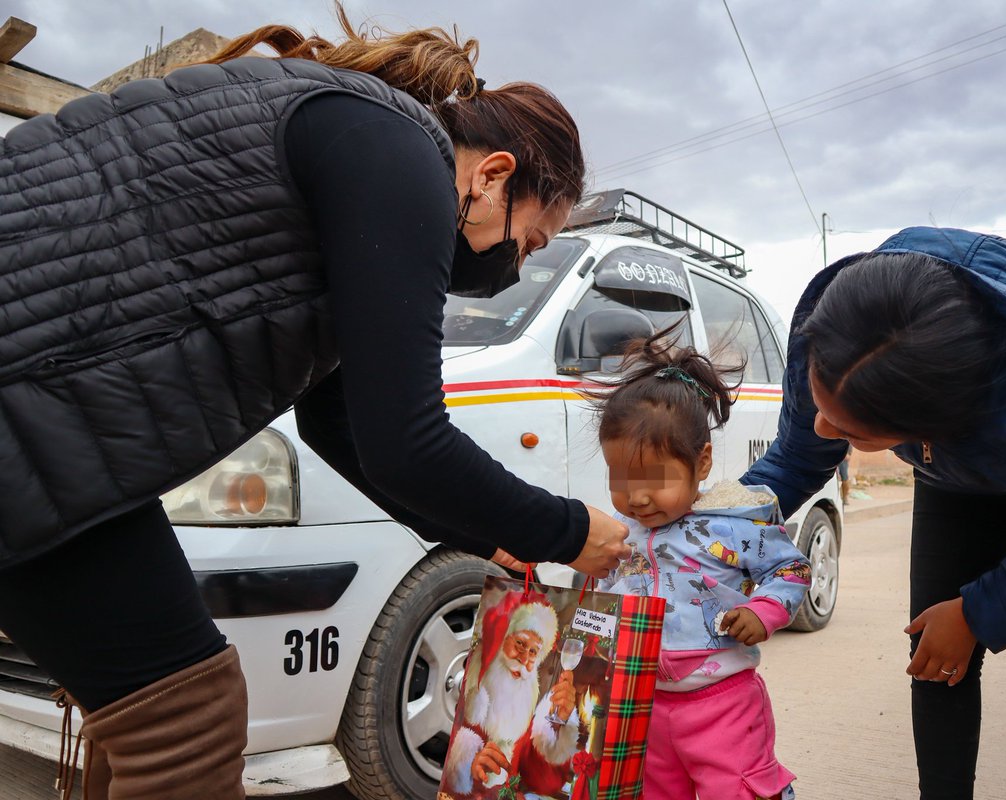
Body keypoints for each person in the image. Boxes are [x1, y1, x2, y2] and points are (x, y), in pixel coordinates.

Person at [0, 5, 630, 798]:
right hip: (33, 412)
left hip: (42, 424)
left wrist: (486, 535)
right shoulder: (398, 152)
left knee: (158, 707)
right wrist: (567, 530)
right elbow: (407, 438)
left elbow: (338, 424)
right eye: (531, 241)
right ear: (494, 176)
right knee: (182, 720)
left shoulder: (354, 147)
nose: (514, 265)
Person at [743, 226, 1006, 799]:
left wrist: (977, 610)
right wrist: (717, 526)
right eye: (823, 406)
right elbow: (796, 456)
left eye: (849, 431)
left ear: (930, 426)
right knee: (934, 652)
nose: (823, 430)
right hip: (962, 471)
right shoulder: (838, 329)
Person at [593, 331, 808, 800]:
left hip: (723, 704)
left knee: (737, 791)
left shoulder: (732, 526)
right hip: (642, 706)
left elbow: (791, 571)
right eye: (621, 478)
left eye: (655, 478)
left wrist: (763, 611)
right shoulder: (615, 534)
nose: (638, 496)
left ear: (702, 461)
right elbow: (595, 598)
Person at [442, 590, 580, 797]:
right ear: (501, 639)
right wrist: (466, 766)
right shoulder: (472, 695)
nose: (525, 659)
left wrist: (560, 724)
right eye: (521, 644)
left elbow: (543, 780)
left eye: (534, 652)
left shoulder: (522, 706)